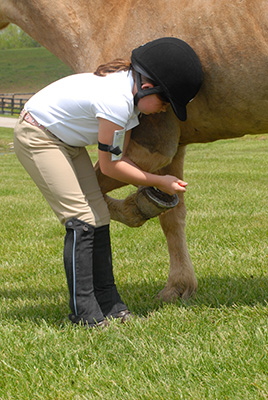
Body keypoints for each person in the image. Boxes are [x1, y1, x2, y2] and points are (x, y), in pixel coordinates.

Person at [13, 37, 203, 328]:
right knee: (81, 217)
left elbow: (120, 159)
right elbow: (110, 166)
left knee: (100, 215)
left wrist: (155, 180)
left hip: (66, 142)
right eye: (165, 101)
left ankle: (110, 302)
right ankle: (85, 313)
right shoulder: (117, 101)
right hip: (38, 136)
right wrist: (159, 180)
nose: (164, 110)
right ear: (147, 86)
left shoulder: (132, 104)